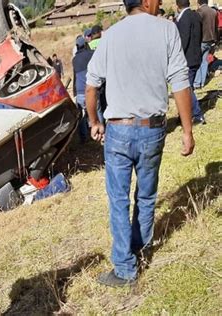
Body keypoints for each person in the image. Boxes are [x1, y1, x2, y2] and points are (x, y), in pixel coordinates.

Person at [85, 0, 195, 287]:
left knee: (119, 201)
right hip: (152, 130)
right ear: (146, 1)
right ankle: (139, 250)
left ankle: (124, 268)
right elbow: (180, 81)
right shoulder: (166, 30)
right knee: (145, 196)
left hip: (118, 130)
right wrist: (187, 130)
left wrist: (94, 121)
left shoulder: (110, 35)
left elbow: (91, 83)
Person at [176, 0, 206, 124]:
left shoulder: (184, 18)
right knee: (189, 87)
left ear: (177, 5)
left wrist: (177, 56)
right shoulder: (195, 15)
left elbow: (183, 40)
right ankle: (184, 114)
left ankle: (197, 114)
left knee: (187, 88)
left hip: (187, 59)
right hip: (196, 56)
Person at [72, 36, 94, 143]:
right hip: (91, 88)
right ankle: (100, 131)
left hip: (80, 91)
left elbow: (75, 76)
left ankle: (84, 137)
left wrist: (74, 92)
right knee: (96, 110)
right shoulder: (91, 55)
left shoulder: (74, 60)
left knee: (81, 114)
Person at [194, 0, 218, 88]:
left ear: (199, 2)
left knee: (198, 61)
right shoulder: (213, 11)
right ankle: (202, 82)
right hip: (211, 39)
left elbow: (197, 26)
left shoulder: (200, 11)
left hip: (202, 39)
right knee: (204, 61)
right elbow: (216, 27)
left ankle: (197, 82)